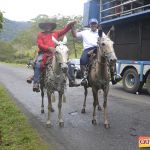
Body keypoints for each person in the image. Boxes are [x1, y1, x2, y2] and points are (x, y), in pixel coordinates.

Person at [27, 21, 79, 92]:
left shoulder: (55, 33)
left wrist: (70, 24)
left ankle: (72, 80)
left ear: (51, 27)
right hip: (43, 53)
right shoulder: (40, 34)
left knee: (67, 63)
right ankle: (36, 83)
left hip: (55, 52)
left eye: (49, 26)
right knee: (38, 64)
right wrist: (49, 48)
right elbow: (40, 45)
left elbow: (65, 30)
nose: (47, 27)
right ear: (43, 27)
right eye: (46, 26)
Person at [71, 18, 122, 86]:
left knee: (111, 56)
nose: (93, 25)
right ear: (90, 25)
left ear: (97, 25)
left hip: (98, 48)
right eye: (92, 24)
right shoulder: (84, 32)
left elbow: (106, 39)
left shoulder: (100, 32)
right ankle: (85, 78)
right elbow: (75, 35)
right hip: (88, 49)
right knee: (82, 59)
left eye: (94, 24)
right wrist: (72, 26)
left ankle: (114, 76)